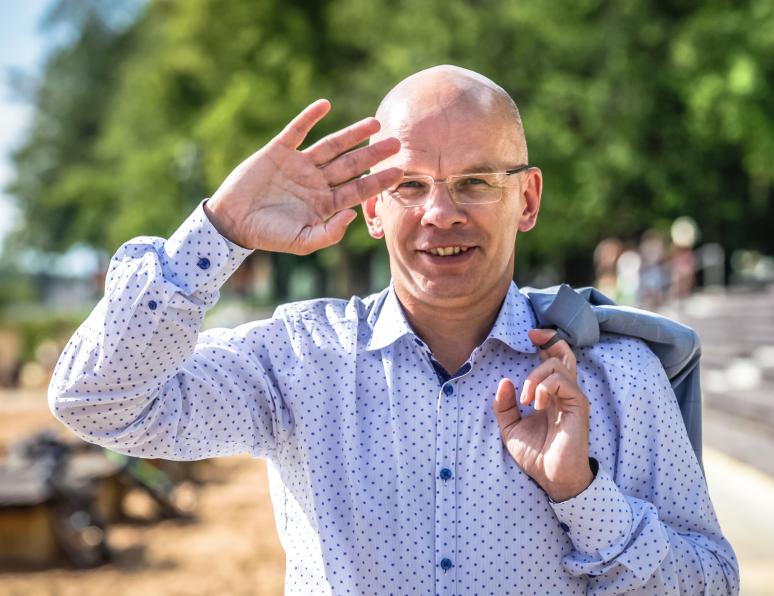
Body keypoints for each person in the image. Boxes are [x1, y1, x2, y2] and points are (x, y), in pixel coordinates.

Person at [49, 65, 738, 595]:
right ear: (374, 209)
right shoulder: (297, 362)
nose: (441, 212)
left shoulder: (617, 376)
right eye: (410, 185)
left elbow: (713, 586)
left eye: (475, 181)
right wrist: (219, 231)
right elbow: (96, 401)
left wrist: (583, 496)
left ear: (526, 199)